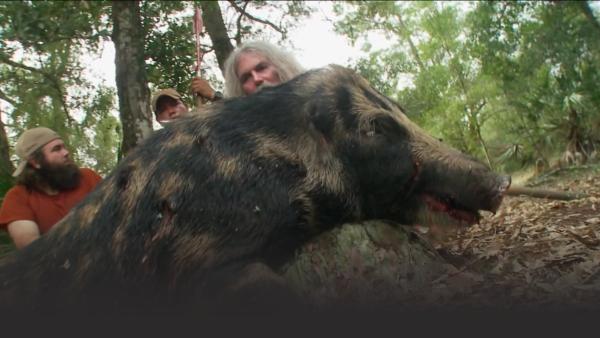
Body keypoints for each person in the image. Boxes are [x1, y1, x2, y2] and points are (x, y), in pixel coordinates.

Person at [0, 127, 102, 249]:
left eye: (64, 147)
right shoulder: (17, 198)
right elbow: (31, 248)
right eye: (56, 149)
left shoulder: (88, 177)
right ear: (35, 162)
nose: (66, 152)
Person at [192, 40, 305, 100]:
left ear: (281, 66)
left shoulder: (318, 103)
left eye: (262, 68)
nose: (257, 79)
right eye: (246, 78)